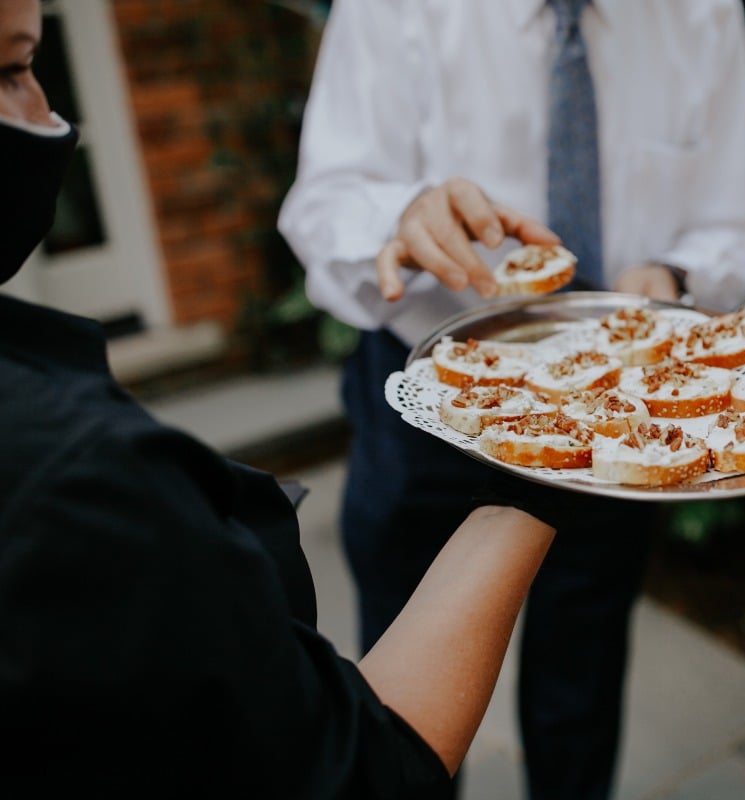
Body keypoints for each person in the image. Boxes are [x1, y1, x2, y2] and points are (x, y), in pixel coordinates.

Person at [0, 0, 568, 794]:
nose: (50, 114)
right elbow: (362, 766)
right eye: (15, 69)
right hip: (439, 400)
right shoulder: (68, 472)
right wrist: (541, 469)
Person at [278, 2, 745, 798]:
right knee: (405, 715)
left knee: (579, 684)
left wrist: (672, 277)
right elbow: (322, 203)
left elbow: (731, 220)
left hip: (617, 418)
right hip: (434, 407)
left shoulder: (701, 13)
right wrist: (402, 218)